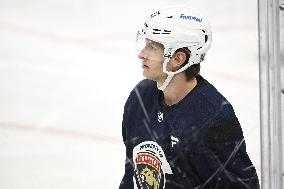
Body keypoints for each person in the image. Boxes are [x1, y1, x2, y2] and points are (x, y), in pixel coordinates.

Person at [119, 5, 260, 189]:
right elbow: (132, 176)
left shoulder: (212, 119)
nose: (141, 54)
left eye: (151, 48)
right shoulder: (140, 98)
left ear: (178, 59)